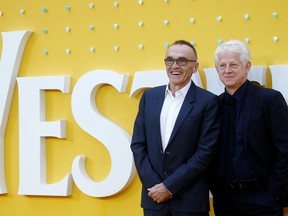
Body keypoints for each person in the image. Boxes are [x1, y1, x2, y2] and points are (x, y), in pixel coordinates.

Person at [130, 40, 220, 216]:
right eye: (169, 60)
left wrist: (169, 187)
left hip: (189, 203)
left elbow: (205, 153)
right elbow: (138, 145)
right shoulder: (149, 97)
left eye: (182, 61)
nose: (175, 66)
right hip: (153, 199)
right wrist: (156, 187)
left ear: (195, 67)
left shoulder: (208, 102)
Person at [210, 39, 288, 216]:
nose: (227, 70)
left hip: (262, 199)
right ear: (217, 70)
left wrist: (272, 193)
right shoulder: (214, 105)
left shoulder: (269, 100)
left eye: (233, 65)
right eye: (222, 65)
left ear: (247, 67)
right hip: (225, 200)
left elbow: (285, 149)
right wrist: (216, 190)